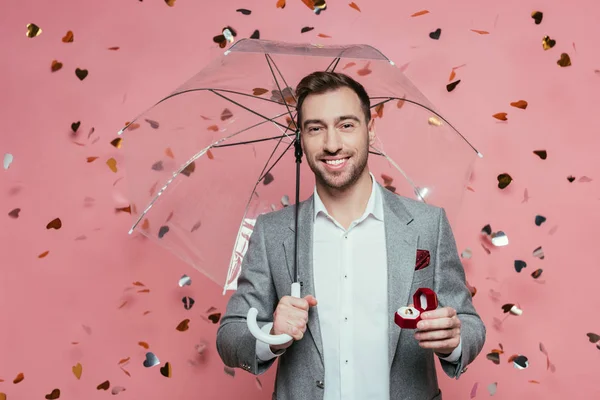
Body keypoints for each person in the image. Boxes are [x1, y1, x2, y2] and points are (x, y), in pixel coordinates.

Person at [216, 71, 486, 400]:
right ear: (300, 138)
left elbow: (469, 323)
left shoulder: (428, 224)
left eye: (346, 125)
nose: (332, 144)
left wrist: (454, 340)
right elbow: (230, 337)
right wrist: (272, 334)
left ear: (370, 131)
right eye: (316, 128)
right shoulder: (273, 233)